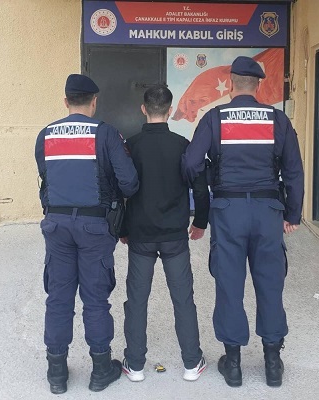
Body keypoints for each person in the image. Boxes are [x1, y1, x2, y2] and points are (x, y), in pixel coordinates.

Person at [182, 56, 304, 388]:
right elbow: (293, 171)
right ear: (258, 85)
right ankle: (273, 364)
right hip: (267, 211)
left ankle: (233, 364)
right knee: (270, 284)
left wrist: (207, 181)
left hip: (228, 212)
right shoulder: (277, 119)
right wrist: (292, 214)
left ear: (232, 84)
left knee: (229, 285)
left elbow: (191, 163)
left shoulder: (215, 118)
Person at [34, 74, 139, 394]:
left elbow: (45, 177)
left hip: (56, 225)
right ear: (94, 102)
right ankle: (100, 371)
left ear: (66, 102)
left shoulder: (46, 134)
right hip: (95, 226)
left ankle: (56, 374)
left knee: (58, 298)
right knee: (95, 299)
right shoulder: (105, 133)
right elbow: (129, 183)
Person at [119, 85, 210, 383]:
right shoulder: (183, 145)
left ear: (143, 109)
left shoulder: (131, 146)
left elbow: (120, 189)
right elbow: (200, 186)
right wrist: (201, 222)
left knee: (137, 300)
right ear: (170, 111)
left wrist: (122, 228)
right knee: (183, 298)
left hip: (140, 235)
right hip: (174, 236)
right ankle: (192, 363)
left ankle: (135, 365)